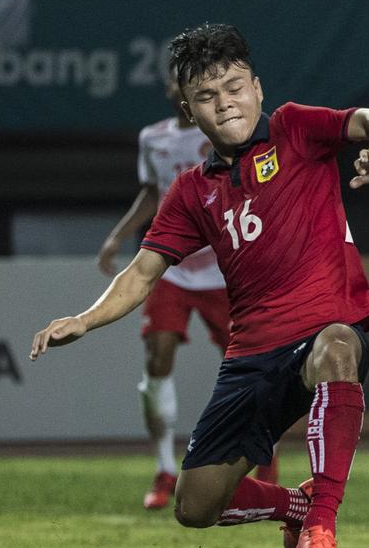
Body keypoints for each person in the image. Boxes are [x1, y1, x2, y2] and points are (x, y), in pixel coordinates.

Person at [32, 23, 369, 548]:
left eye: (234, 86)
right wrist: (83, 319)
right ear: (189, 110)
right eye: (206, 96)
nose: (224, 102)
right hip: (251, 357)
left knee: (337, 346)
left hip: (324, 331)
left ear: (257, 87)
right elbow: (143, 272)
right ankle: (296, 508)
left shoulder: (296, 127)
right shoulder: (190, 191)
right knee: (196, 505)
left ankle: (324, 524)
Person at [96, 68, 278, 511]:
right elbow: (151, 195)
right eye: (183, 80)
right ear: (172, 91)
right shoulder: (152, 138)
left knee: (251, 370)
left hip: (224, 270)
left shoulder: (227, 133)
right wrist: (118, 237)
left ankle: (264, 461)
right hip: (171, 269)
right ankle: (163, 469)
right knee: (157, 356)